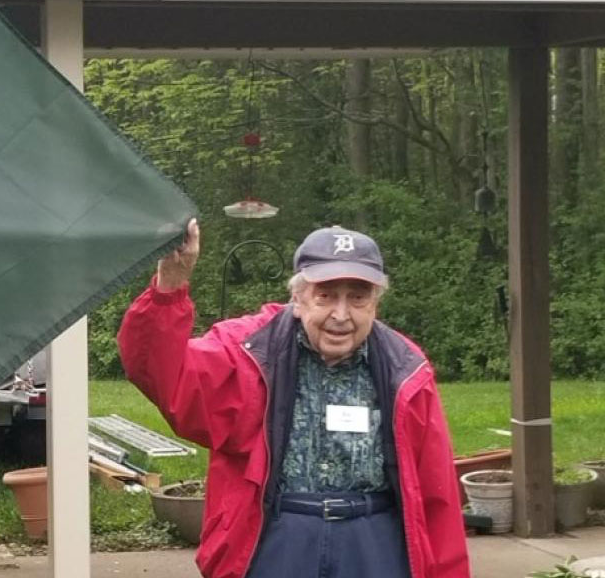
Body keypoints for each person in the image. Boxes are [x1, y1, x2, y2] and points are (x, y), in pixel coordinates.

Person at [118, 220, 469, 578]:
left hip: (374, 544)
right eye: (325, 295)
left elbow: (437, 492)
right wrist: (171, 284)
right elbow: (161, 372)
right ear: (298, 299)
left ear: (375, 304)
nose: (341, 315)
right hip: (277, 539)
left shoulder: (406, 369)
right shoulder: (249, 350)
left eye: (358, 297)